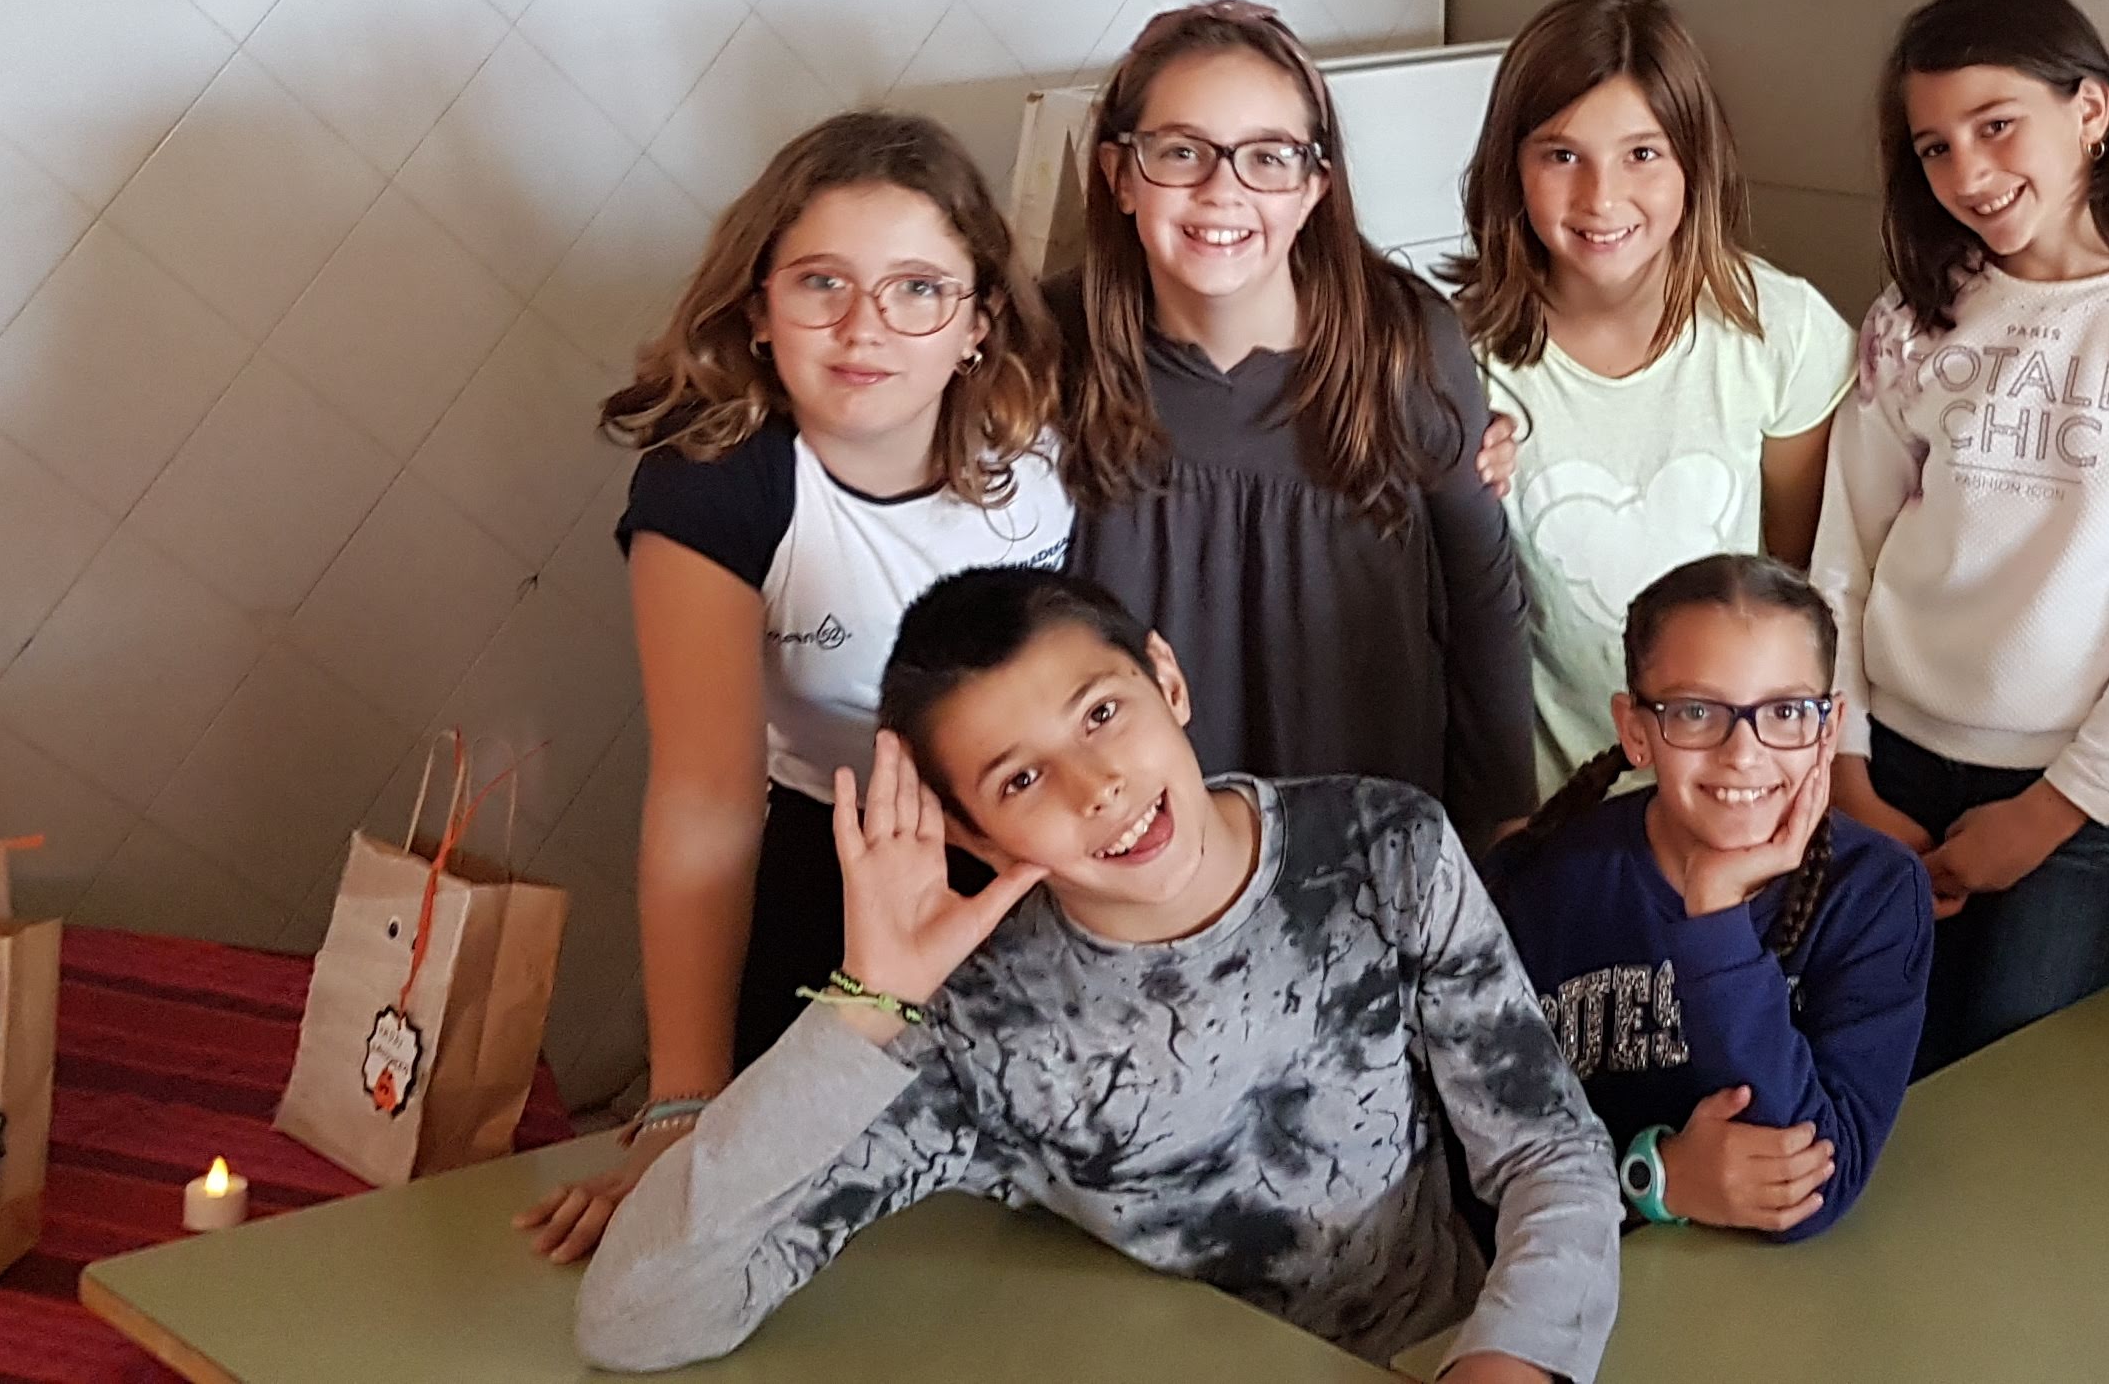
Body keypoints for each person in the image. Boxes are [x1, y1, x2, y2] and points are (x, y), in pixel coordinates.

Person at [575, 567, 1616, 1381]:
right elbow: (638, 1318)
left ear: (1167, 678)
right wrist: (863, 1006)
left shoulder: (1384, 848)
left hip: (1433, 1350)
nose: (1096, 786)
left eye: (1102, 714)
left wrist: (1508, 1359)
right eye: (1021, 778)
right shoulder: (978, 1025)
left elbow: (1548, 1149)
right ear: (971, 835)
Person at [523, 112, 1065, 1262]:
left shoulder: (1052, 448)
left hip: (1047, 880)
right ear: (759, 308)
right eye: (823, 283)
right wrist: (683, 1108)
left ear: (978, 322)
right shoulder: (719, 484)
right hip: (833, 889)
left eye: (918, 290)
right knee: (793, 1244)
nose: (866, 327)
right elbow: (705, 799)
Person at [1818, 0, 2109, 1069]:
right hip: (1884, 767)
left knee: (2015, 1072)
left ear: (2090, 111)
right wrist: (1845, 768)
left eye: (1996, 126)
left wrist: (2052, 811)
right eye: (1935, 148)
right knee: (1870, 1060)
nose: (1968, 174)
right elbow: (1842, 558)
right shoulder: (1915, 318)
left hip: (2066, 793)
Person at [1047, 2, 1533, 837]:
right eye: (1182, 152)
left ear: (1315, 187)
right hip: (1129, 834)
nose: (1222, 190)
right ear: (1120, 175)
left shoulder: (1405, 343)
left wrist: (1504, 831)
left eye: (1268, 157)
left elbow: (1481, 598)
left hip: (1360, 823)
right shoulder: (1052, 344)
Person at [1452, 0, 1857, 792]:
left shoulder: (1781, 330)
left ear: (1693, 162)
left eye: (1641, 153)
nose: (1601, 198)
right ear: (1511, 166)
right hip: (1549, 802)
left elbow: (1799, 579)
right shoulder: (1456, 357)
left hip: (1735, 789)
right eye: (1561, 155)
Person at [1492, 553, 1930, 1239]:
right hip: (1570, 1267)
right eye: (1696, 711)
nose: (1743, 752)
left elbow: (1812, 1187)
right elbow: (1476, 1159)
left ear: (1829, 728)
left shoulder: (1875, 893)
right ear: (1636, 730)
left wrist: (1717, 916)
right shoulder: (1537, 884)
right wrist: (1655, 1177)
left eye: (1785, 711)